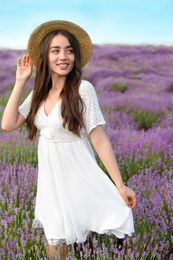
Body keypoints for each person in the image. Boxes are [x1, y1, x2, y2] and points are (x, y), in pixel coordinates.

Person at [1, 20, 137, 259]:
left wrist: (120, 185)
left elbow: (99, 139)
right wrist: (21, 81)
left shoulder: (83, 89)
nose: (63, 56)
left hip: (79, 176)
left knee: (69, 236)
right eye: (56, 50)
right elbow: (7, 124)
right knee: (56, 243)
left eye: (69, 50)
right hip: (51, 181)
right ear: (46, 56)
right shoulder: (38, 95)